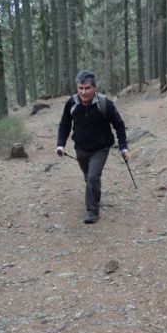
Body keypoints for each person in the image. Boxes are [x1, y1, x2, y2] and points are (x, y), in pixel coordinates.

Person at [56, 70, 130, 224]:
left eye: (87, 88)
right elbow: (64, 124)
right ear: (77, 88)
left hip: (100, 148)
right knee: (89, 177)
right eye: (81, 88)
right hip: (81, 148)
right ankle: (95, 193)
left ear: (94, 87)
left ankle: (92, 211)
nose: (84, 92)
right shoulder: (72, 103)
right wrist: (60, 144)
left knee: (92, 177)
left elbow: (119, 125)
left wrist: (123, 147)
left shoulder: (104, 104)